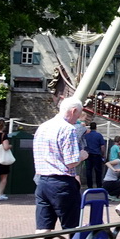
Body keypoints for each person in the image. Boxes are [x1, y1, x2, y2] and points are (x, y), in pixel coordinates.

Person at [33, 96, 88, 231]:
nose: (78, 120)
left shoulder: (42, 127)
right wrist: (81, 156)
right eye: (78, 116)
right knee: (72, 228)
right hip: (62, 184)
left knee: (42, 229)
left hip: (42, 182)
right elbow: (71, 162)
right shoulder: (68, 129)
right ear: (73, 111)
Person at [83, 121, 105, 190]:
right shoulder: (99, 135)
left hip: (88, 154)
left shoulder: (86, 136)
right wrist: (103, 154)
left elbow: (83, 145)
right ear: (96, 127)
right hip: (96, 154)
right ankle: (99, 185)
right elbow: (102, 146)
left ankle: (89, 186)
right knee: (98, 171)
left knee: (88, 171)